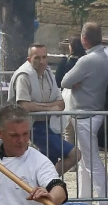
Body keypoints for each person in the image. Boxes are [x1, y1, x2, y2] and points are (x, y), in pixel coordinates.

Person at [8, 44, 79, 176]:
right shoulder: (23, 76)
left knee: (47, 164)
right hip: (33, 126)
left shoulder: (48, 74)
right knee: (75, 154)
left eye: (44, 57)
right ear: (29, 59)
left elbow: (61, 103)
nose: (41, 61)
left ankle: (42, 183)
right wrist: (51, 107)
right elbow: (24, 106)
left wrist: (41, 106)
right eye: (37, 58)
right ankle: (47, 181)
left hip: (51, 126)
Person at [62, 22, 108, 203]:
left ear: (84, 39)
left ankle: (106, 203)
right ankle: (85, 199)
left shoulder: (87, 60)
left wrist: (77, 82)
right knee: (84, 161)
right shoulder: (104, 57)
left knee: (92, 162)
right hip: (94, 112)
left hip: (85, 115)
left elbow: (65, 81)